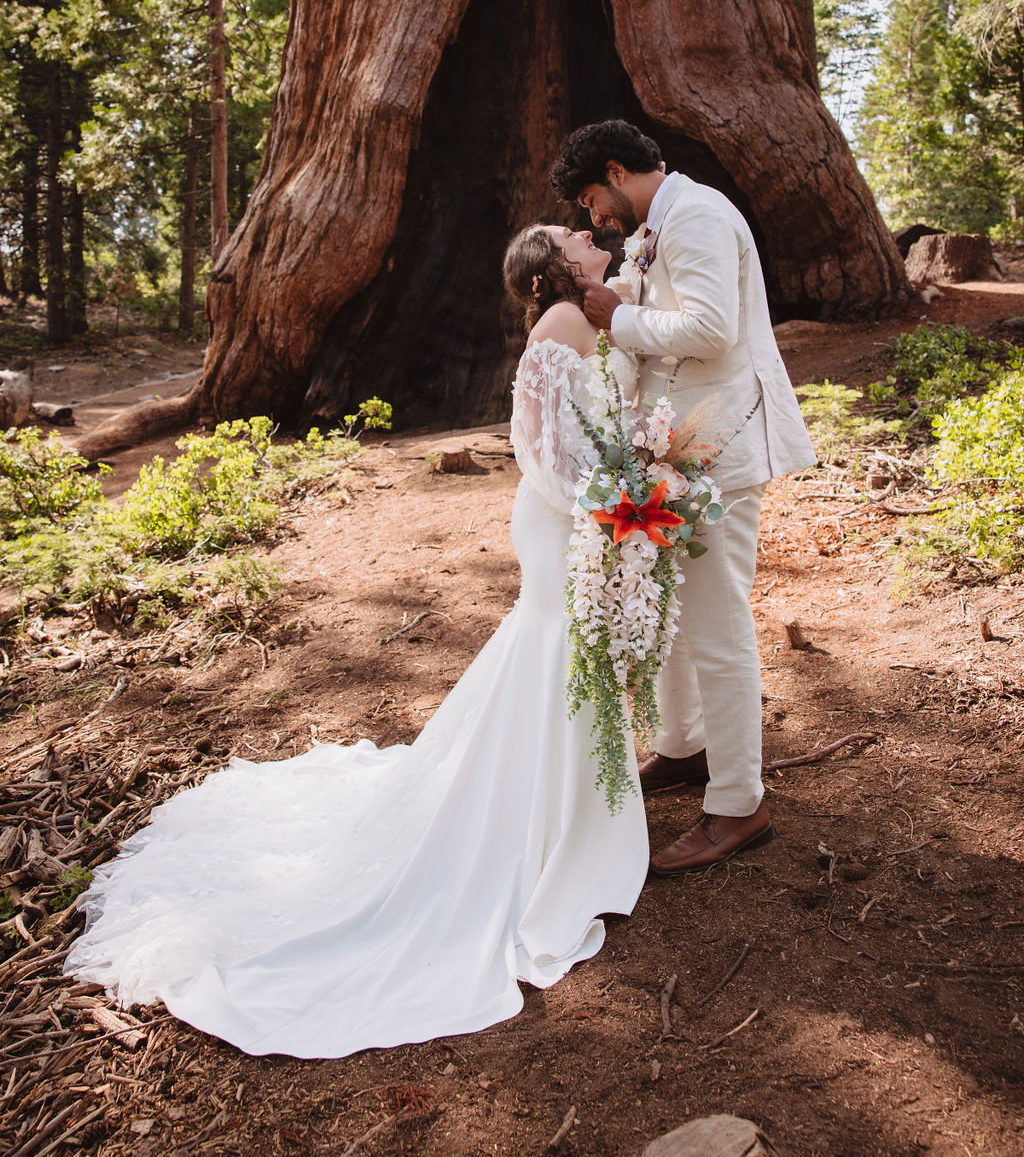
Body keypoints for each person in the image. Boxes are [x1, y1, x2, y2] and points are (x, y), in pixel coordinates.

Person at [63, 224, 649, 1060]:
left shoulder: (591, 316)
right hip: (564, 521)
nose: (589, 235)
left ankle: (571, 819)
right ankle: (546, 834)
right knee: (555, 647)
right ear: (554, 268)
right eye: (571, 235)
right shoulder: (558, 330)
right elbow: (545, 454)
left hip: (581, 519)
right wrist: (614, 500)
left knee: (558, 653)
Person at [550, 119, 815, 877]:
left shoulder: (695, 213)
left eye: (592, 200)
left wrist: (618, 318)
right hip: (675, 446)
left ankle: (739, 801)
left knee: (717, 620)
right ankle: (684, 746)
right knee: (670, 604)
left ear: (614, 171)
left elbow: (711, 327)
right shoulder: (658, 223)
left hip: (719, 447)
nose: (595, 219)